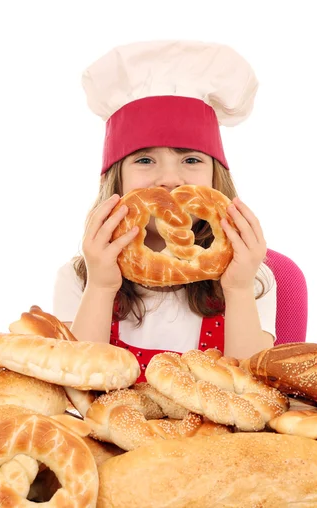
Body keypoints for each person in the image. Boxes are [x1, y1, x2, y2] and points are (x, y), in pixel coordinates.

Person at [52, 40, 277, 381]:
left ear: (216, 178)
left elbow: (251, 391)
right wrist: (100, 287)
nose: (169, 179)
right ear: (117, 180)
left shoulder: (252, 278)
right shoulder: (80, 278)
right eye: (145, 159)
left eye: (190, 159)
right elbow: (76, 383)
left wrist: (238, 290)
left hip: (215, 436)